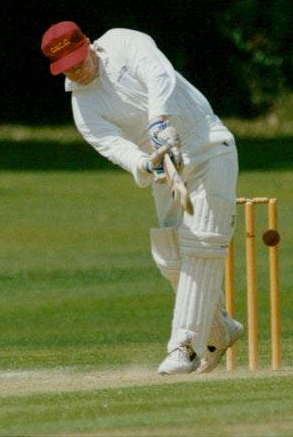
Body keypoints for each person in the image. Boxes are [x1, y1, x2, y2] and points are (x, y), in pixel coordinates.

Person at [41, 21, 243, 374]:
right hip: (167, 169)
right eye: (65, 67)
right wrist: (147, 164)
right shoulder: (83, 108)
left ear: (87, 43)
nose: (75, 70)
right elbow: (115, 148)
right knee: (170, 257)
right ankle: (219, 330)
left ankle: (185, 347)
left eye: (78, 59)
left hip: (209, 145)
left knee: (202, 242)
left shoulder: (122, 42)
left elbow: (158, 73)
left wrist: (158, 121)